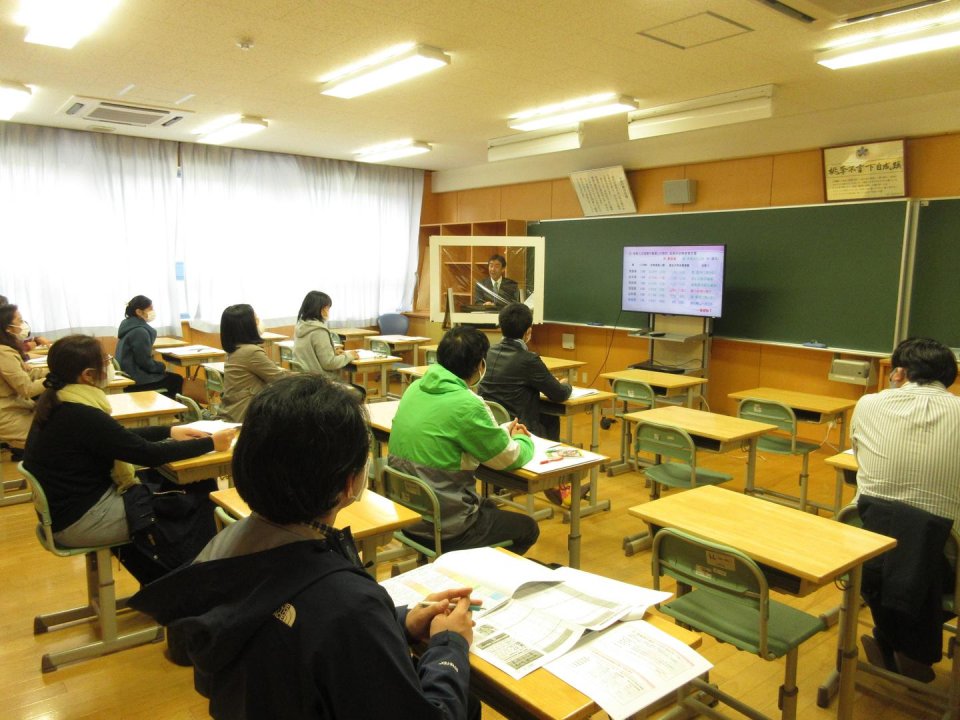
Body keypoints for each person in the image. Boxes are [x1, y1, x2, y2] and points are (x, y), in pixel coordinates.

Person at [130, 374, 478, 720]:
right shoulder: (348, 604)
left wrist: (398, 621)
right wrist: (450, 645)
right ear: (349, 482)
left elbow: (306, 633)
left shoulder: (220, 548)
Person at [23, 335, 235, 581]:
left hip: (68, 511)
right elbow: (146, 454)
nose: (110, 365)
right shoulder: (80, 414)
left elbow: (118, 438)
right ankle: (191, 583)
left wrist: (169, 430)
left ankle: (172, 579)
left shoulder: (60, 401)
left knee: (176, 484)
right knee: (200, 495)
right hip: (82, 519)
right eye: (105, 360)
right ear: (88, 375)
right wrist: (210, 443)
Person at [851, 336, 960, 683]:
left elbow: (859, 455)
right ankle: (913, 647)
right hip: (941, 558)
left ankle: (893, 639)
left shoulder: (867, 405)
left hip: (862, 549)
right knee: (923, 542)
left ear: (898, 372)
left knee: (896, 534)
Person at [388, 326, 539, 555]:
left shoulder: (415, 387)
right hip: (446, 528)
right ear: (480, 364)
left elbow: (451, 435)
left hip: (406, 515)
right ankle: (473, 576)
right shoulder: (467, 403)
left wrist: (500, 432)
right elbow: (509, 459)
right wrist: (522, 439)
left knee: (488, 505)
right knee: (528, 528)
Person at [479, 302, 571, 439]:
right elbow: (559, 394)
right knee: (550, 416)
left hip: (488, 426)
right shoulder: (528, 360)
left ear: (500, 328)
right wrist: (566, 384)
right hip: (519, 429)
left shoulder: (486, 353)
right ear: (528, 332)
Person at [218, 304, 287, 422]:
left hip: (232, 411)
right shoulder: (251, 351)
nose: (259, 321)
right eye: (256, 319)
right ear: (247, 326)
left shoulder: (234, 349)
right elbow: (279, 378)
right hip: (244, 415)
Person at [0, 303, 48, 455]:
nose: (23, 325)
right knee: (53, 435)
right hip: (7, 415)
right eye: (19, 321)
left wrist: (53, 370)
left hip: (16, 407)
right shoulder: (3, 353)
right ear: (7, 328)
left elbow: (27, 375)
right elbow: (27, 389)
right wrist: (54, 378)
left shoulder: (7, 348)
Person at [115, 295, 184, 397]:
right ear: (139, 312)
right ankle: (171, 411)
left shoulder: (129, 326)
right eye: (150, 308)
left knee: (171, 377)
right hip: (136, 380)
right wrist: (161, 366)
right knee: (176, 379)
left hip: (128, 376)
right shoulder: (140, 331)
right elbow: (144, 362)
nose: (153, 311)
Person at [293, 290, 358, 379]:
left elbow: (309, 353)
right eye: (327, 308)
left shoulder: (302, 326)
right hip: (320, 383)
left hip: (304, 379)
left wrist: (331, 352)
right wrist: (350, 356)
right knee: (357, 391)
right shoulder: (319, 331)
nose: (328, 311)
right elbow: (329, 363)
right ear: (321, 309)